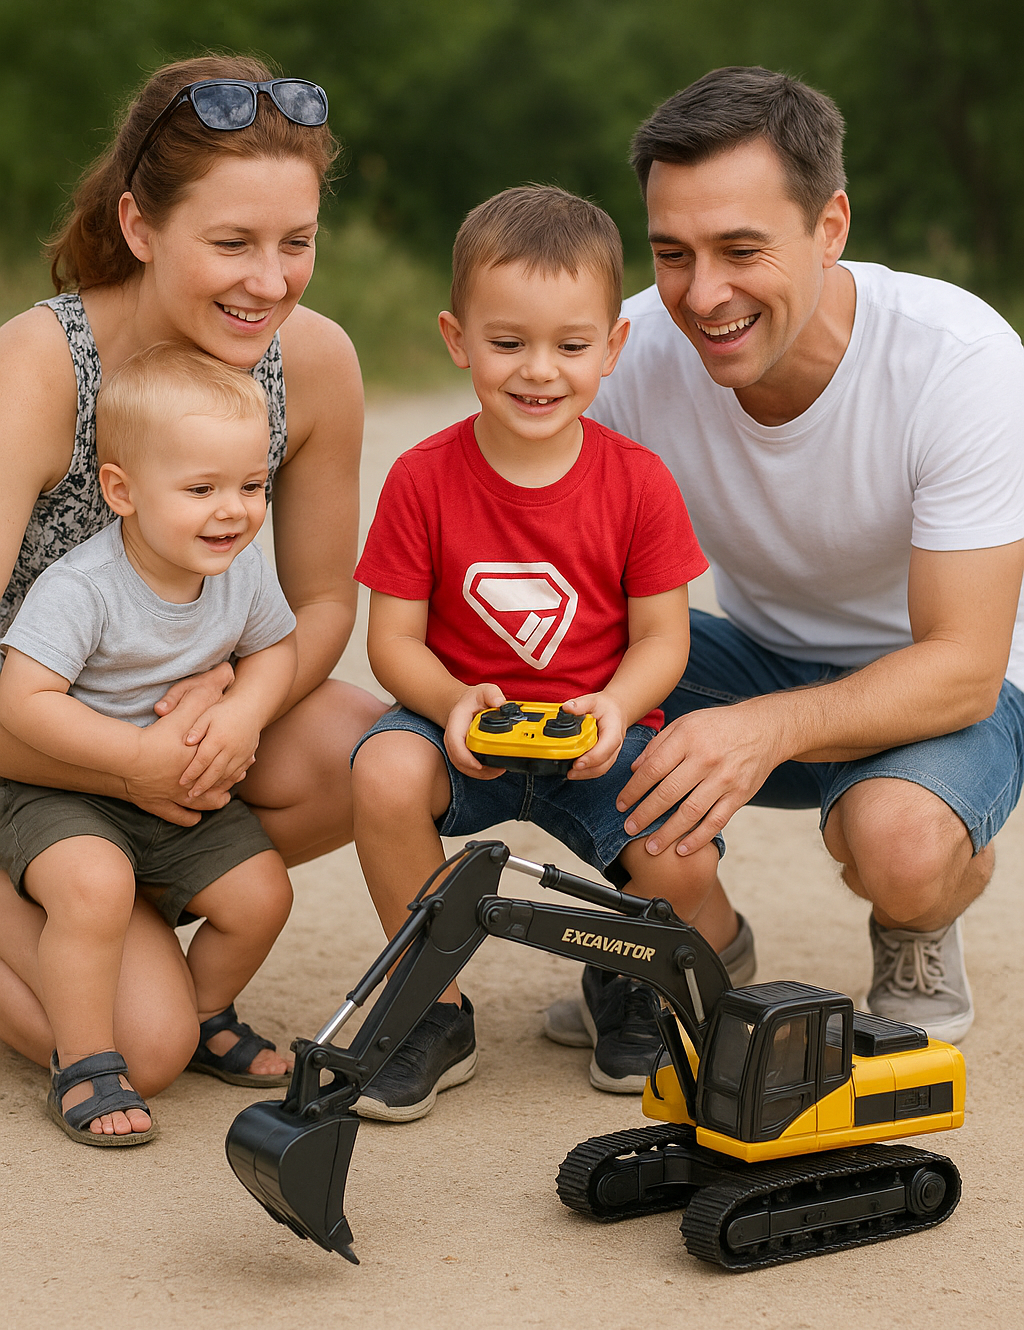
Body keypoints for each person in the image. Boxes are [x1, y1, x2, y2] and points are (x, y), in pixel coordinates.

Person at [546, 66, 1024, 1061]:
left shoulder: (959, 361)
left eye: (740, 250)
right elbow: (531, 556)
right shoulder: (629, 355)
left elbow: (964, 663)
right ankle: (688, 931)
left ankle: (922, 917)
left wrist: (766, 729)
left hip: (939, 684)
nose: (702, 293)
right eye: (672, 252)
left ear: (830, 226)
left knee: (898, 842)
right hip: (754, 653)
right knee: (554, 655)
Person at [0, 55, 384, 1101]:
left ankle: (118, 914)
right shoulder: (40, 368)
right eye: (231, 243)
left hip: (165, 745)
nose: (269, 280)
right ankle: (67, 915)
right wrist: (128, 763)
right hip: (21, 754)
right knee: (150, 1051)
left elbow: (321, 604)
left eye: (294, 242)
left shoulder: (312, 364)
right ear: (139, 227)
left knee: (363, 746)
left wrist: (245, 699)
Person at [349, 184, 756, 1123]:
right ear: (457, 338)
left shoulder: (639, 483)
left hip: (596, 732)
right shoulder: (422, 479)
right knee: (380, 772)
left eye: (571, 347)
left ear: (612, 346)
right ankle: (430, 1012)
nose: (539, 371)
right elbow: (393, 642)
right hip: (464, 725)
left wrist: (616, 707)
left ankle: (622, 981)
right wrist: (451, 702)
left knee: (682, 846)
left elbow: (663, 639)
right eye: (508, 343)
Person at [0, 345, 298, 1144]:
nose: (232, 510)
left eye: (251, 485)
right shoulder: (82, 587)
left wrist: (242, 711)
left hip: (177, 788)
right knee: (93, 888)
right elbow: (22, 700)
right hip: (66, 787)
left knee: (261, 896)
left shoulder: (241, 570)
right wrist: (132, 761)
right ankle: (87, 1058)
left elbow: (276, 649)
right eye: (201, 489)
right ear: (121, 491)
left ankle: (202, 1015)